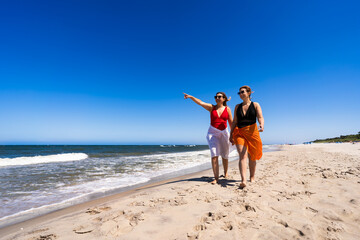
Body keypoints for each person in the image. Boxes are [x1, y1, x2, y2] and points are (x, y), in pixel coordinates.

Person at [184, 92, 233, 184]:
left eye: (219, 97)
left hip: (224, 133)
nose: (217, 98)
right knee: (214, 155)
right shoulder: (211, 107)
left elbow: (231, 122)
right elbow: (200, 102)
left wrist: (233, 135)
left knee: (225, 155)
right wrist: (191, 96)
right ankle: (216, 178)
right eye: (216, 97)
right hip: (213, 133)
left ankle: (225, 173)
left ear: (224, 99)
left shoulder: (227, 109)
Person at [230, 86, 264, 189]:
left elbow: (260, 117)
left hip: (252, 132)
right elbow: (235, 121)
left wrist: (261, 124)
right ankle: (243, 180)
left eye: (242, 92)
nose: (240, 94)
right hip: (239, 133)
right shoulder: (237, 107)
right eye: (239, 92)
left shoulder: (255, 104)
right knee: (242, 155)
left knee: (252, 156)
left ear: (248, 93)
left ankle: (252, 176)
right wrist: (231, 133)